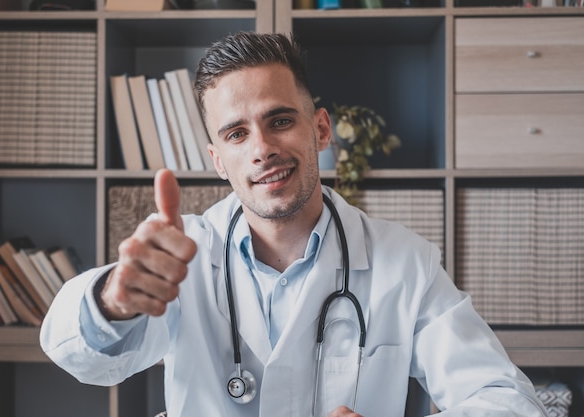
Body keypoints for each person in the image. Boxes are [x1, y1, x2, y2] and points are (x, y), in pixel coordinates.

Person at [40, 31, 549, 417]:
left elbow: (506, 398)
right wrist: (114, 301)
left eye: (280, 120)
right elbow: (83, 361)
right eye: (237, 134)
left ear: (320, 129)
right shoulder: (182, 254)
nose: (262, 149)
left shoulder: (405, 263)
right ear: (218, 160)